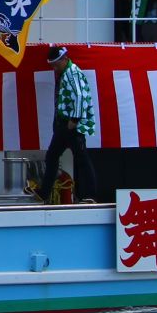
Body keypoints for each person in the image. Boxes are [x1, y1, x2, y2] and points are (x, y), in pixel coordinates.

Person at [34, 45, 97, 203]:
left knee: (81, 159)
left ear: (64, 59)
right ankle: (44, 193)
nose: (54, 68)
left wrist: (74, 121)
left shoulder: (72, 73)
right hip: (63, 124)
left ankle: (90, 195)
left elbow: (80, 96)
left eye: (56, 64)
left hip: (71, 125)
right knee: (52, 156)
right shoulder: (65, 73)